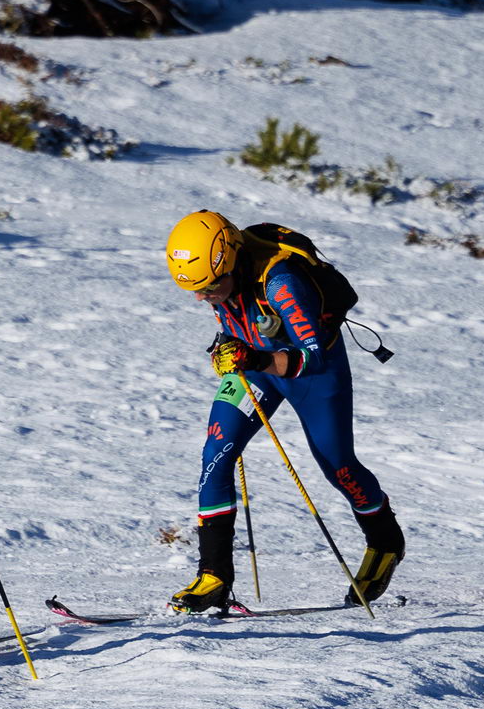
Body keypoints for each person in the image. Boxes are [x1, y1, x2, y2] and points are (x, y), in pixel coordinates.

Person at [162, 211, 402, 612]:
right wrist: (226, 353)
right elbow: (235, 320)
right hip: (256, 370)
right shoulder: (219, 277)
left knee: (338, 467)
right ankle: (215, 576)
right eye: (195, 291)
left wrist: (253, 357)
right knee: (215, 455)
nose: (201, 298)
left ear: (232, 261)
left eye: (208, 287)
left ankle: (386, 541)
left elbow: (314, 358)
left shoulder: (283, 283)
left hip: (312, 376)